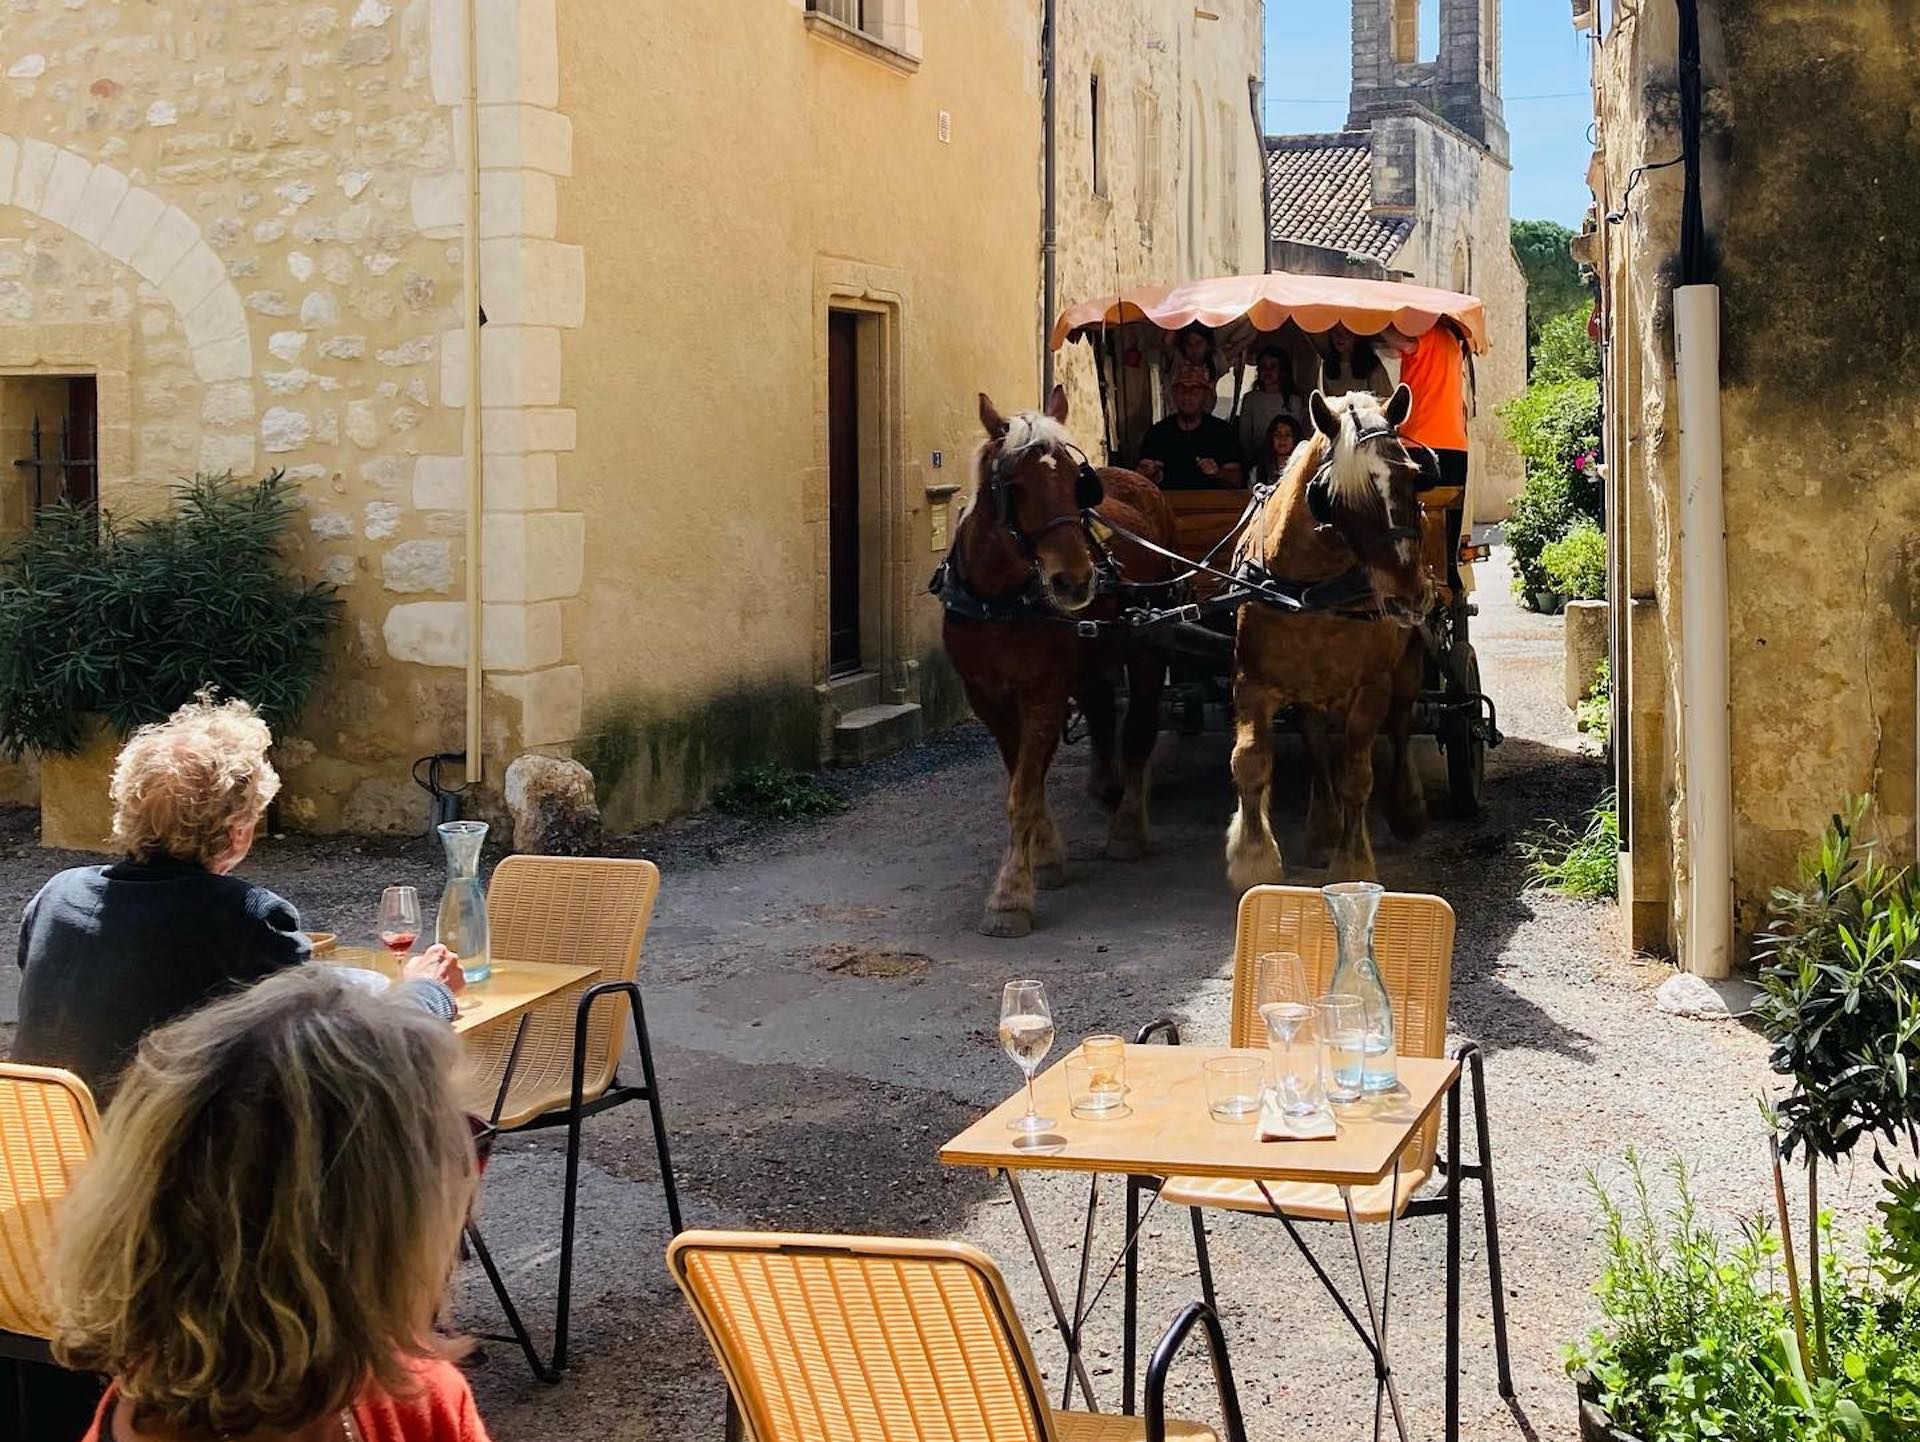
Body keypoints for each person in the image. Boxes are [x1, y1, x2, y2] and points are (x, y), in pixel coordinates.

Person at [53, 966, 494, 1442]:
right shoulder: (417, 1402)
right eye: (459, 1149)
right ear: (367, 1227)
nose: (467, 1183)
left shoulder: (417, 1397)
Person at [11, 695, 463, 1103]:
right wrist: (428, 991)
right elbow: (343, 1053)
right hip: (175, 1180)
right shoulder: (246, 918)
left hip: (47, 1166)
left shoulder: (57, 896)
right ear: (237, 832)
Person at [1136, 363, 1243, 490]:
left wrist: (1218, 473)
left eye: (1195, 389)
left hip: (1211, 506)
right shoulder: (1157, 433)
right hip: (1166, 505)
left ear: (1206, 396)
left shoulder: (1223, 433)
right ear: (1174, 395)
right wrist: (1148, 474)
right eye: (1182, 389)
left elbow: (1238, 480)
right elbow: (1140, 478)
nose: (1188, 395)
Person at [1236, 345, 1307, 461]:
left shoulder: (1294, 401)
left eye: (1273, 366)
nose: (1267, 370)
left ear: (1283, 371)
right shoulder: (1250, 399)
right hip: (1256, 460)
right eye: (1263, 366)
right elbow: (1245, 437)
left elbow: (1296, 436)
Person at [1321, 325, 1392, 399]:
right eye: (1336, 332)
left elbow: (1385, 399)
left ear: (1357, 336)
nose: (1340, 337)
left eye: (1347, 332)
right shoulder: (1328, 363)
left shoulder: (1372, 365)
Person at [1254, 412, 1305, 488]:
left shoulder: (1303, 469)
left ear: (1295, 439)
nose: (1282, 439)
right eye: (1277, 434)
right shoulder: (1257, 471)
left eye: (1287, 435)